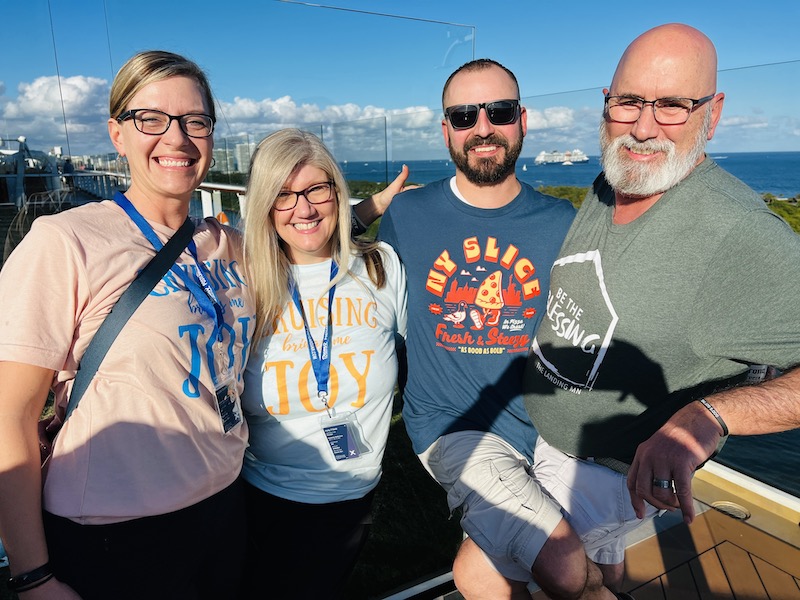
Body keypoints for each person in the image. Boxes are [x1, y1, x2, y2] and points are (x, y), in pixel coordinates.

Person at [522, 22, 800, 595]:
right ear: (606, 104)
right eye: (628, 102)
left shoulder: (739, 235)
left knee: (483, 570)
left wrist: (710, 417)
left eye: (673, 105)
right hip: (552, 448)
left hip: (616, 477)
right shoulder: (612, 180)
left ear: (713, 113)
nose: (644, 127)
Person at [0, 51, 254, 599]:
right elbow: (8, 419)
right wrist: (33, 575)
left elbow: (308, 229)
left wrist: (372, 208)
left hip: (227, 507)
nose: (177, 138)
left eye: (195, 121)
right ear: (117, 134)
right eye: (151, 119)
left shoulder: (227, 243)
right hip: (115, 537)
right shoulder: (65, 242)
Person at [378, 60, 609, 600]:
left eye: (498, 111)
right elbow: (316, 243)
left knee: (481, 574)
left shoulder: (559, 223)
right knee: (563, 563)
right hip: (452, 427)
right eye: (464, 115)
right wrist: (364, 207)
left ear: (522, 120)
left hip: (550, 425)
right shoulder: (407, 215)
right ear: (446, 130)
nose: (482, 127)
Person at [238, 129, 407, 599]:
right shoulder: (245, 280)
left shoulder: (382, 268)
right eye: (283, 195)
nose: (304, 207)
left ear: (336, 191)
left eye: (316, 189)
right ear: (265, 207)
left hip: (349, 498)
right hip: (257, 494)